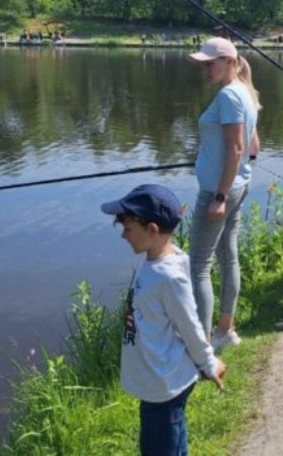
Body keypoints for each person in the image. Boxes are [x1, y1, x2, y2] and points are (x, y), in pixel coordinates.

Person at [100, 184, 226, 456]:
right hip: (157, 382)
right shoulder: (156, 262)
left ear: (153, 230)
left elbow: (189, 325)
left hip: (164, 386)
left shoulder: (168, 276)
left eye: (128, 228)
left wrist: (209, 363)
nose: (123, 235)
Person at [188, 37, 260, 351]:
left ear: (229, 61)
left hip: (219, 191)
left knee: (199, 265)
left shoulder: (229, 96)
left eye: (210, 63)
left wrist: (218, 197)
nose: (205, 69)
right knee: (228, 257)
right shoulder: (245, 92)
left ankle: (204, 344)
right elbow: (253, 147)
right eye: (203, 63)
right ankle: (224, 331)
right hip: (238, 185)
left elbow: (236, 148)